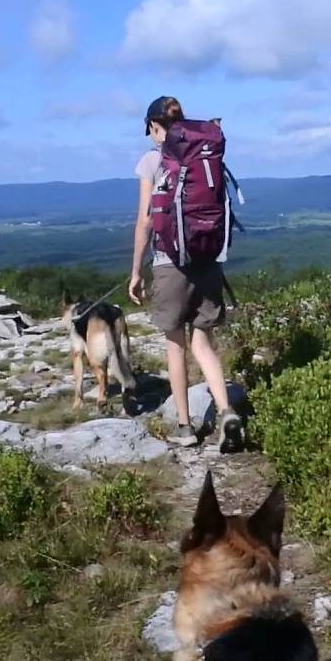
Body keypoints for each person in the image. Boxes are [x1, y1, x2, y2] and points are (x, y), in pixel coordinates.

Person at [129, 95, 243, 451]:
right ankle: (225, 411)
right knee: (203, 343)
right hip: (209, 260)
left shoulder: (152, 161)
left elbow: (146, 220)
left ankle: (184, 426)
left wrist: (136, 271)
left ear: (153, 126)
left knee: (175, 346)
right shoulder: (205, 156)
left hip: (170, 263)